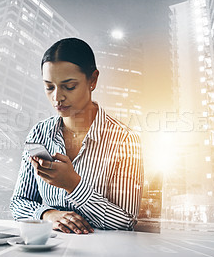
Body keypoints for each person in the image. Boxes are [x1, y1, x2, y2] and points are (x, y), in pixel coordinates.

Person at [10, 37, 144, 234]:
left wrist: (73, 184)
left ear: (93, 80)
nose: (57, 97)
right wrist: (47, 214)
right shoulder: (39, 133)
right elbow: (19, 202)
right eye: (49, 87)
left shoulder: (125, 140)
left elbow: (126, 221)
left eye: (69, 86)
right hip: (49, 249)